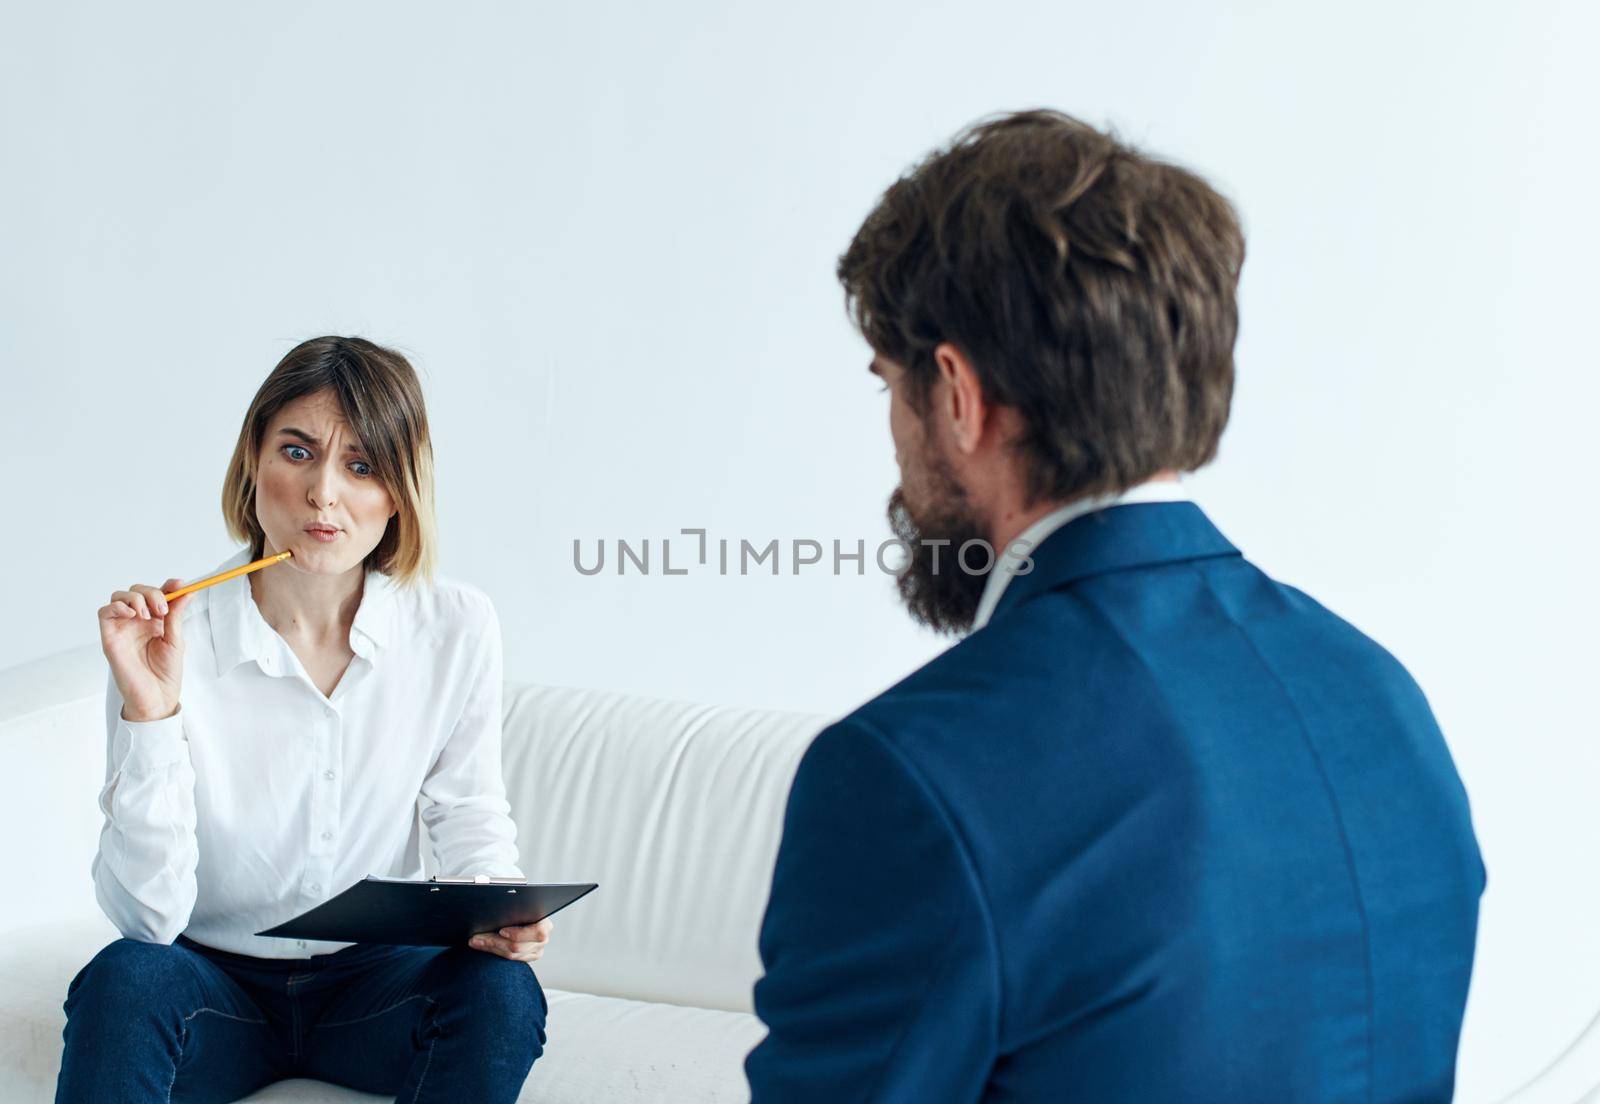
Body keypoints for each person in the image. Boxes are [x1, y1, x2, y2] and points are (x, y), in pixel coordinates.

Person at [745, 111, 1485, 1101]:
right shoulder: (1378, 697)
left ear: (957, 394)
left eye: (889, 385)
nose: (892, 438)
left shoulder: (908, 779)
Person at [58, 337, 551, 1103]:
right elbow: (147, 921)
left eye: (361, 465)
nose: (324, 493)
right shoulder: (173, 636)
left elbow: (468, 812)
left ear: (399, 491)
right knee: (123, 981)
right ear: (254, 462)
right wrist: (152, 713)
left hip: (376, 980)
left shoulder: (455, 625)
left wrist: (498, 906)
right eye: (298, 451)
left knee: (502, 994)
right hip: (212, 981)